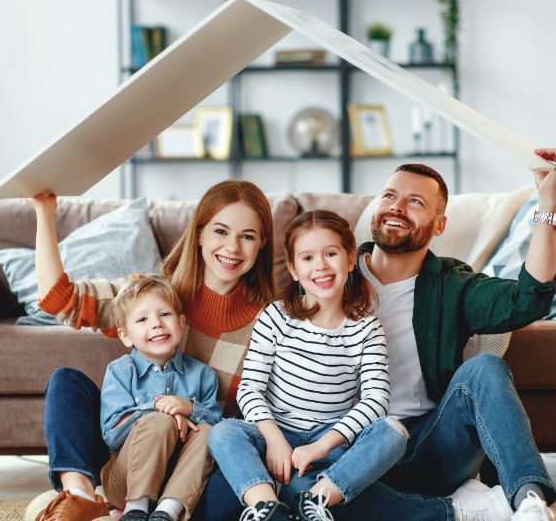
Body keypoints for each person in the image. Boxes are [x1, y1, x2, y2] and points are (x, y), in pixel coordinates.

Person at [325, 149, 556, 521]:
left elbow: (528, 300)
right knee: (310, 500)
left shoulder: (451, 284)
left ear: (439, 225)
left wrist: (547, 200)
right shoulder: (330, 278)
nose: (396, 207)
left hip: (432, 449)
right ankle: (463, 509)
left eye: (415, 202)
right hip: (353, 456)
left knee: (485, 368)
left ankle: (528, 503)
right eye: (390, 196)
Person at [27, 180, 275, 521]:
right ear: (199, 233)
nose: (232, 247)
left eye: (247, 236)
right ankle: (81, 498)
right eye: (220, 231)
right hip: (132, 452)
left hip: (198, 463)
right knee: (66, 383)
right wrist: (44, 213)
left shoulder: (271, 322)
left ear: (262, 243)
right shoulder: (153, 299)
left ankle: (152, 511)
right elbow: (59, 299)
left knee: (240, 491)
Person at [208, 210, 409, 521]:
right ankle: (266, 508)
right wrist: (274, 441)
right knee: (223, 432)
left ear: (350, 259)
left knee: (393, 432)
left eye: (331, 253)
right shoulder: (275, 317)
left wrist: (321, 447)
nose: (321, 266)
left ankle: (313, 501)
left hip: (331, 446)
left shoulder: (367, 328)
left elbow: (376, 399)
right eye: (308, 258)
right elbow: (250, 389)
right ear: (294, 269)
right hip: (273, 437)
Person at [98, 275, 222, 521]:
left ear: (181, 322)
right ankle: (136, 509)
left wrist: (189, 408)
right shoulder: (121, 371)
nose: (156, 324)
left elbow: (218, 425)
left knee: (208, 432)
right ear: (126, 336)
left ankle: (167, 512)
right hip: (124, 480)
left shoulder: (203, 374)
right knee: (160, 420)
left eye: (164, 314)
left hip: (178, 480)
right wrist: (155, 408)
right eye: (142, 319)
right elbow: (111, 433)